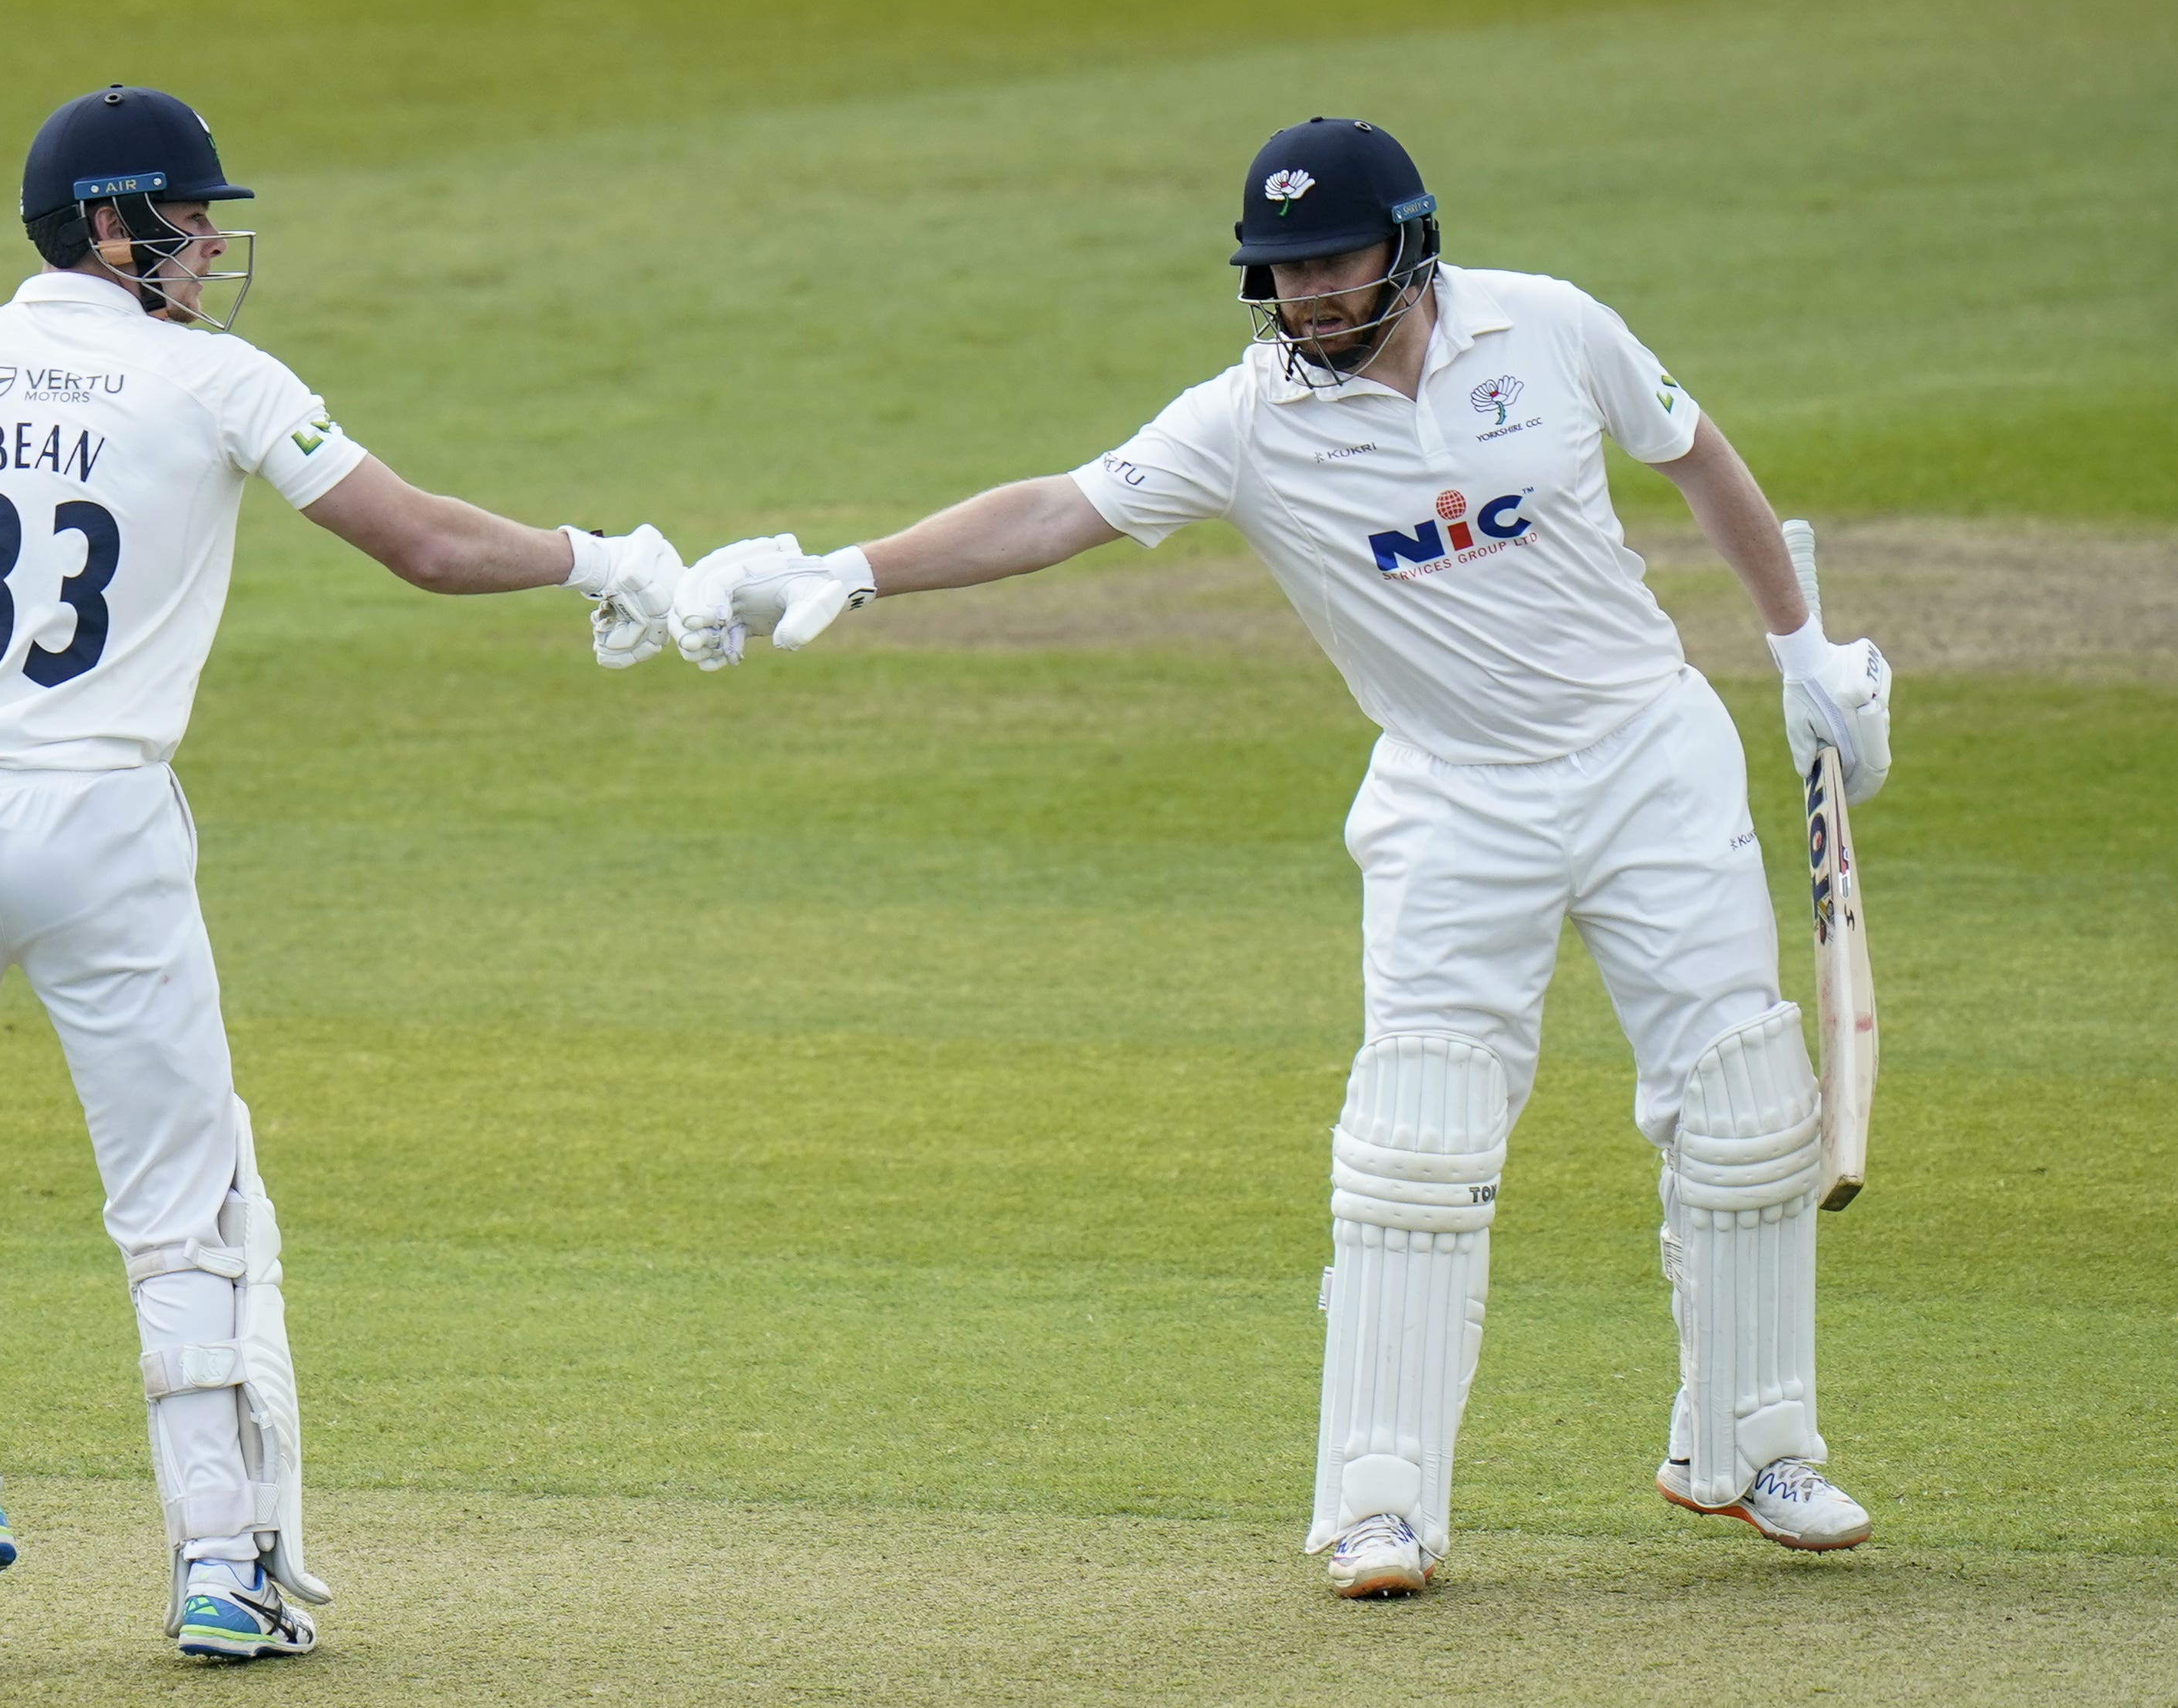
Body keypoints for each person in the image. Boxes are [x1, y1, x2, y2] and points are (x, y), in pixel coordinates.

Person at [666, 116, 1893, 1599]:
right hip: (1456, 797)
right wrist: (848, 572)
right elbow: (1058, 506)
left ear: (1411, 242)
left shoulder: (1552, 328)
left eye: (1332, 262)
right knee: (1419, 1143)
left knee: (1746, 1100)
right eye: (1281, 271)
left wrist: (1801, 651)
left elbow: (1695, 456)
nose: (1307, 296)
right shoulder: (1249, 420)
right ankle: (1380, 1505)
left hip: (1651, 752)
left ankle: (1753, 1447)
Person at [0, 84, 680, 1657]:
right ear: (114, 226)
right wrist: (597, 557)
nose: (210, 247)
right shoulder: (217, 383)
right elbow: (421, 542)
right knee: (183, 1202)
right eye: (190, 220)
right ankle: (223, 1565)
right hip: (103, 827)